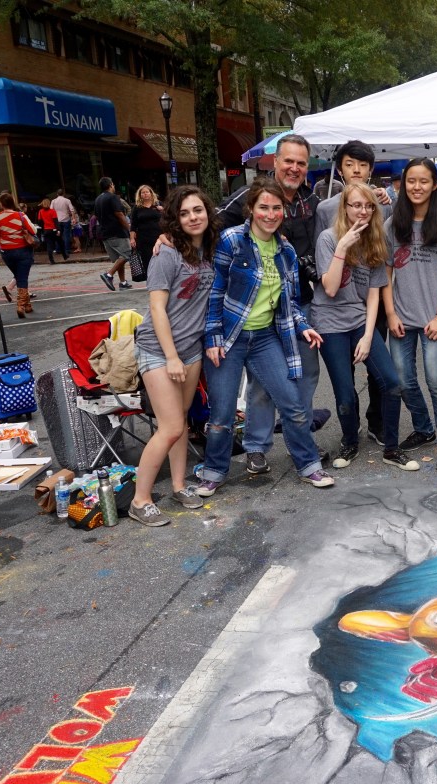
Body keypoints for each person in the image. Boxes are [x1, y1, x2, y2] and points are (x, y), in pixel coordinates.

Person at [198, 177, 333, 495]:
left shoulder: (286, 252)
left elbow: (290, 302)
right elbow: (214, 293)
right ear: (251, 209)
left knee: (293, 404)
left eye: (276, 208)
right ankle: (214, 471)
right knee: (222, 415)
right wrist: (212, 338)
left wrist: (303, 326)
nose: (270, 214)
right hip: (229, 338)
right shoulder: (232, 241)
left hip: (265, 338)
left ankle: (308, 465)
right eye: (264, 207)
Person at [215, 135, 325, 474]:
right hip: (254, 311)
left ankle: (299, 440)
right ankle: (257, 447)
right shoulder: (251, 196)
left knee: (305, 375)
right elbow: (211, 224)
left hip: (296, 304)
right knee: (262, 384)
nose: (294, 168)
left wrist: (380, 196)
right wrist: (170, 236)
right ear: (275, 162)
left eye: (301, 163)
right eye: (288, 161)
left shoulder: (311, 200)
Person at [128, 186, 218, 526]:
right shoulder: (166, 253)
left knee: (180, 420)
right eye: (184, 213)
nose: (193, 217)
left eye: (198, 210)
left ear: (207, 212)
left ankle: (179, 485)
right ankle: (140, 500)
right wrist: (171, 357)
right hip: (158, 348)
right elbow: (157, 308)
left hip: (191, 348)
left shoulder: (211, 247)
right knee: (169, 427)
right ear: (174, 220)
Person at [314, 183, 419, 472]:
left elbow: (374, 295)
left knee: (392, 383)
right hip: (330, 323)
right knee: (346, 394)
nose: (362, 211)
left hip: (360, 320)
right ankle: (350, 442)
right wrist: (343, 246)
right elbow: (330, 288)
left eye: (368, 206)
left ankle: (392, 449)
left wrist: (369, 336)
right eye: (356, 205)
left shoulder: (375, 240)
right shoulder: (328, 238)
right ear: (345, 207)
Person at [313, 140, 394, 448]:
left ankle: (378, 424)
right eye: (350, 164)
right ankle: (351, 428)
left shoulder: (383, 203)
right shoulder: (325, 211)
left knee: (380, 371)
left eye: (362, 165)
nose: (356, 170)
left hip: (367, 302)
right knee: (344, 381)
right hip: (336, 302)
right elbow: (325, 267)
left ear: (371, 169)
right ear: (340, 169)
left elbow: (386, 251)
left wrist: (391, 195)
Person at [384, 158, 437, 471]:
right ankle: (423, 427)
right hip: (401, 318)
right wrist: (390, 314)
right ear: (403, 184)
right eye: (411, 181)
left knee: (436, 379)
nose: (417, 187)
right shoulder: (393, 224)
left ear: (435, 185)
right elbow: (385, 274)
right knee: (403, 380)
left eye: (424, 181)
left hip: (434, 318)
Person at [0, 191, 38, 319]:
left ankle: (27, 305)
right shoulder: (20, 216)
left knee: (19, 275)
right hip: (23, 250)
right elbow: (33, 230)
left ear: (1, 204)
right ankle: (20, 306)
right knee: (22, 277)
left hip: (7, 253)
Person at [94, 177, 132, 290]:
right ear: (111, 185)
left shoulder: (98, 199)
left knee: (120, 258)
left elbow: (96, 216)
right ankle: (109, 274)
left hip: (105, 233)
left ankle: (123, 282)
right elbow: (119, 214)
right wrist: (129, 229)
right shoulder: (113, 197)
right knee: (127, 253)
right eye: (113, 184)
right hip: (117, 232)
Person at [130, 184, 163, 282]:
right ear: (140, 195)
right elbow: (133, 225)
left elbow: (169, 217)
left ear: (151, 193)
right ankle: (151, 281)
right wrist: (132, 238)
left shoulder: (158, 204)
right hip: (143, 238)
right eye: (143, 193)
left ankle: (162, 279)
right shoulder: (137, 207)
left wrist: (163, 209)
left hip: (159, 237)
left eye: (147, 192)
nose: (145, 194)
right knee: (147, 260)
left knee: (161, 259)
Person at [51, 189, 75, 260]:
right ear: (63, 194)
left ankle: (58, 249)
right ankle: (67, 249)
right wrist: (73, 218)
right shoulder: (67, 200)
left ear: (57, 194)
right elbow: (72, 210)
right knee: (66, 235)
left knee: (58, 235)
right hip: (66, 219)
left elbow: (51, 210)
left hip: (57, 220)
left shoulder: (53, 201)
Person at [36, 197, 60, 265]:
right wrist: (58, 229)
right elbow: (56, 221)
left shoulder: (40, 211)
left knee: (49, 245)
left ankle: (51, 259)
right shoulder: (53, 211)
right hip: (53, 229)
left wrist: (43, 227)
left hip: (46, 229)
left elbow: (39, 222)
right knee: (55, 242)